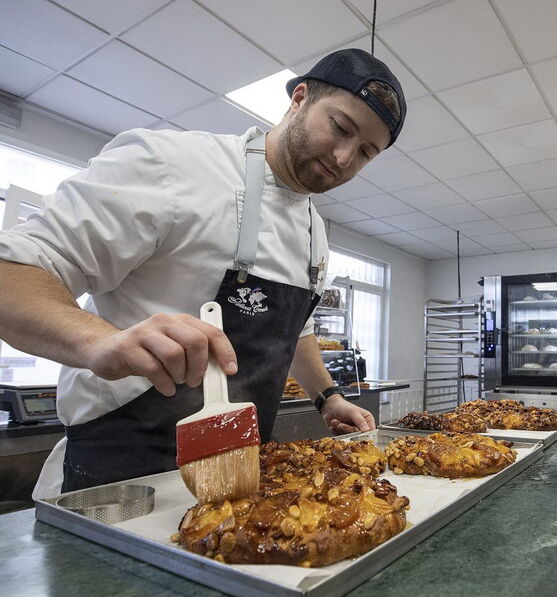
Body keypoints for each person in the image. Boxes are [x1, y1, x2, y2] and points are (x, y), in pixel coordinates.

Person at [0, 48, 406, 498]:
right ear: (300, 98)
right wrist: (97, 341)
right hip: (123, 478)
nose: (346, 157)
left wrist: (327, 396)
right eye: (341, 127)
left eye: (366, 152)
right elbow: (14, 272)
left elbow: (295, 328)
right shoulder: (172, 165)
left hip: (241, 477)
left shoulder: (315, 233)